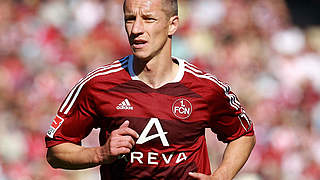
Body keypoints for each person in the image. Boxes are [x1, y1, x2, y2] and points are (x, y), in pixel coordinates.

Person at [45, 0, 256, 179]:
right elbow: (56, 150)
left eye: (148, 19)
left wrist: (222, 176)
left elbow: (243, 134)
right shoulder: (98, 85)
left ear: (172, 25)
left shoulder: (205, 88)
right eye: (130, 19)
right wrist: (100, 154)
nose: (136, 29)